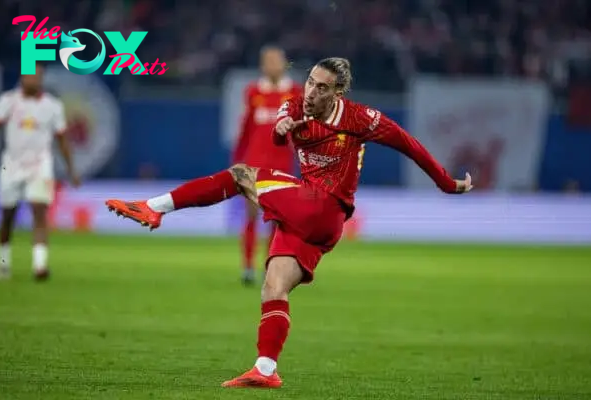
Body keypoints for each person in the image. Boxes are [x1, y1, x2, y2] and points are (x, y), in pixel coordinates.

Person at [105, 57, 473, 388]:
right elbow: (281, 121)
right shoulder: (297, 103)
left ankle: (154, 207)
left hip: (323, 207)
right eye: (311, 81)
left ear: (339, 92)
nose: (312, 91)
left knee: (240, 174)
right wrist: (281, 128)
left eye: (322, 87)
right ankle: (265, 369)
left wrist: (445, 182)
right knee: (273, 286)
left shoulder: (362, 118)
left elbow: (408, 144)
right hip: (314, 220)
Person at [0, 63, 80, 280]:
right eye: (29, 76)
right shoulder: (8, 101)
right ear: (22, 77)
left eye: (37, 76)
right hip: (11, 164)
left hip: (40, 164)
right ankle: (3, 263)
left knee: (39, 211)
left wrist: (71, 170)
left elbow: (62, 140)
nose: (33, 80)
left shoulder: (52, 106)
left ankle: (39, 266)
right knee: (7, 216)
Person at [232, 46, 301, 285]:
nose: (272, 65)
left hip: (282, 166)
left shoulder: (294, 93)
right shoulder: (252, 92)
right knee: (251, 216)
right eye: (268, 61)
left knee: (277, 220)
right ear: (262, 65)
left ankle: (270, 268)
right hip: (254, 164)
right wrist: (238, 159)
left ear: (284, 64)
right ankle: (248, 267)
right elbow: (245, 129)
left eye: (276, 61)